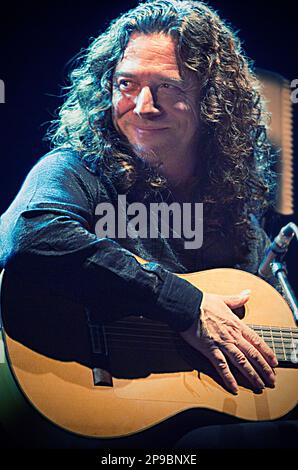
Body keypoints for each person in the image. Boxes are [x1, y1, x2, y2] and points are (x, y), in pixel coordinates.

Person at [0, 0, 297, 449]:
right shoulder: (76, 168)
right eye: (126, 84)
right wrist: (184, 304)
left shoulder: (232, 216)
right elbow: (30, 236)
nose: (142, 106)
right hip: (81, 414)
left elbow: (244, 338)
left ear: (211, 100)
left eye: (166, 87)